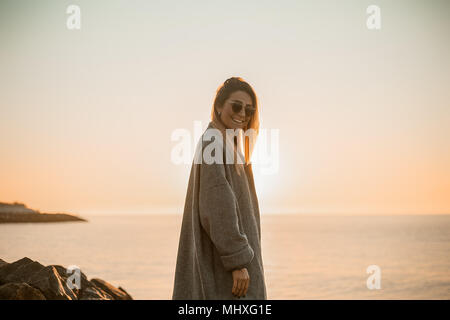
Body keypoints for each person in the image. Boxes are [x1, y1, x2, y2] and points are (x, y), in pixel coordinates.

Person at [172, 77, 266, 299]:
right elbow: (217, 204)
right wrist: (237, 261)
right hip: (226, 273)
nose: (243, 113)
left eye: (249, 109)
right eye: (236, 106)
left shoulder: (228, 144)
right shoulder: (214, 142)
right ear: (219, 106)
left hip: (225, 268)